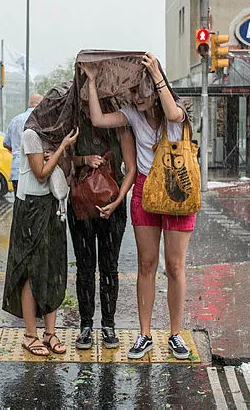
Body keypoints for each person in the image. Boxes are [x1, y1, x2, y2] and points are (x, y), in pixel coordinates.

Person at [82, 52, 196, 361]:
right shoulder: (132, 114)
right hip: (145, 190)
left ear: (155, 90)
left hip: (176, 187)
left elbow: (173, 115)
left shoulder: (175, 108)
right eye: (132, 91)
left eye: (141, 91)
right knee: (147, 264)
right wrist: (92, 81)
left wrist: (156, 73)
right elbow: (98, 119)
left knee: (174, 266)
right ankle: (144, 334)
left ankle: (175, 334)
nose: (136, 97)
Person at [2, 124, 78, 357]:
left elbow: (67, 169)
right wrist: (62, 148)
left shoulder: (57, 135)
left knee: (52, 269)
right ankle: (30, 335)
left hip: (54, 205)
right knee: (31, 269)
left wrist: (62, 151)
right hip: (31, 206)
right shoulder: (31, 134)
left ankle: (50, 333)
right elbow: (41, 173)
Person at [68, 117, 137, 351]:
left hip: (113, 203)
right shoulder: (75, 122)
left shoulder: (120, 126)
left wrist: (118, 201)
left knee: (109, 267)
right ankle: (86, 325)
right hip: (81, 203)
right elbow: (64, 160)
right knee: (85, 267)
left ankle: (108, 324)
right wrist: (84, 160)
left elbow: (131, 169)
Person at [4, 94, 43, 191]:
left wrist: (18, 149)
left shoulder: (15, 120)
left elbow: (6, 143)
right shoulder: (42, 120)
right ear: (40, 104)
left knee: (19, 199)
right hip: (35, 171)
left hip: (17, 171)